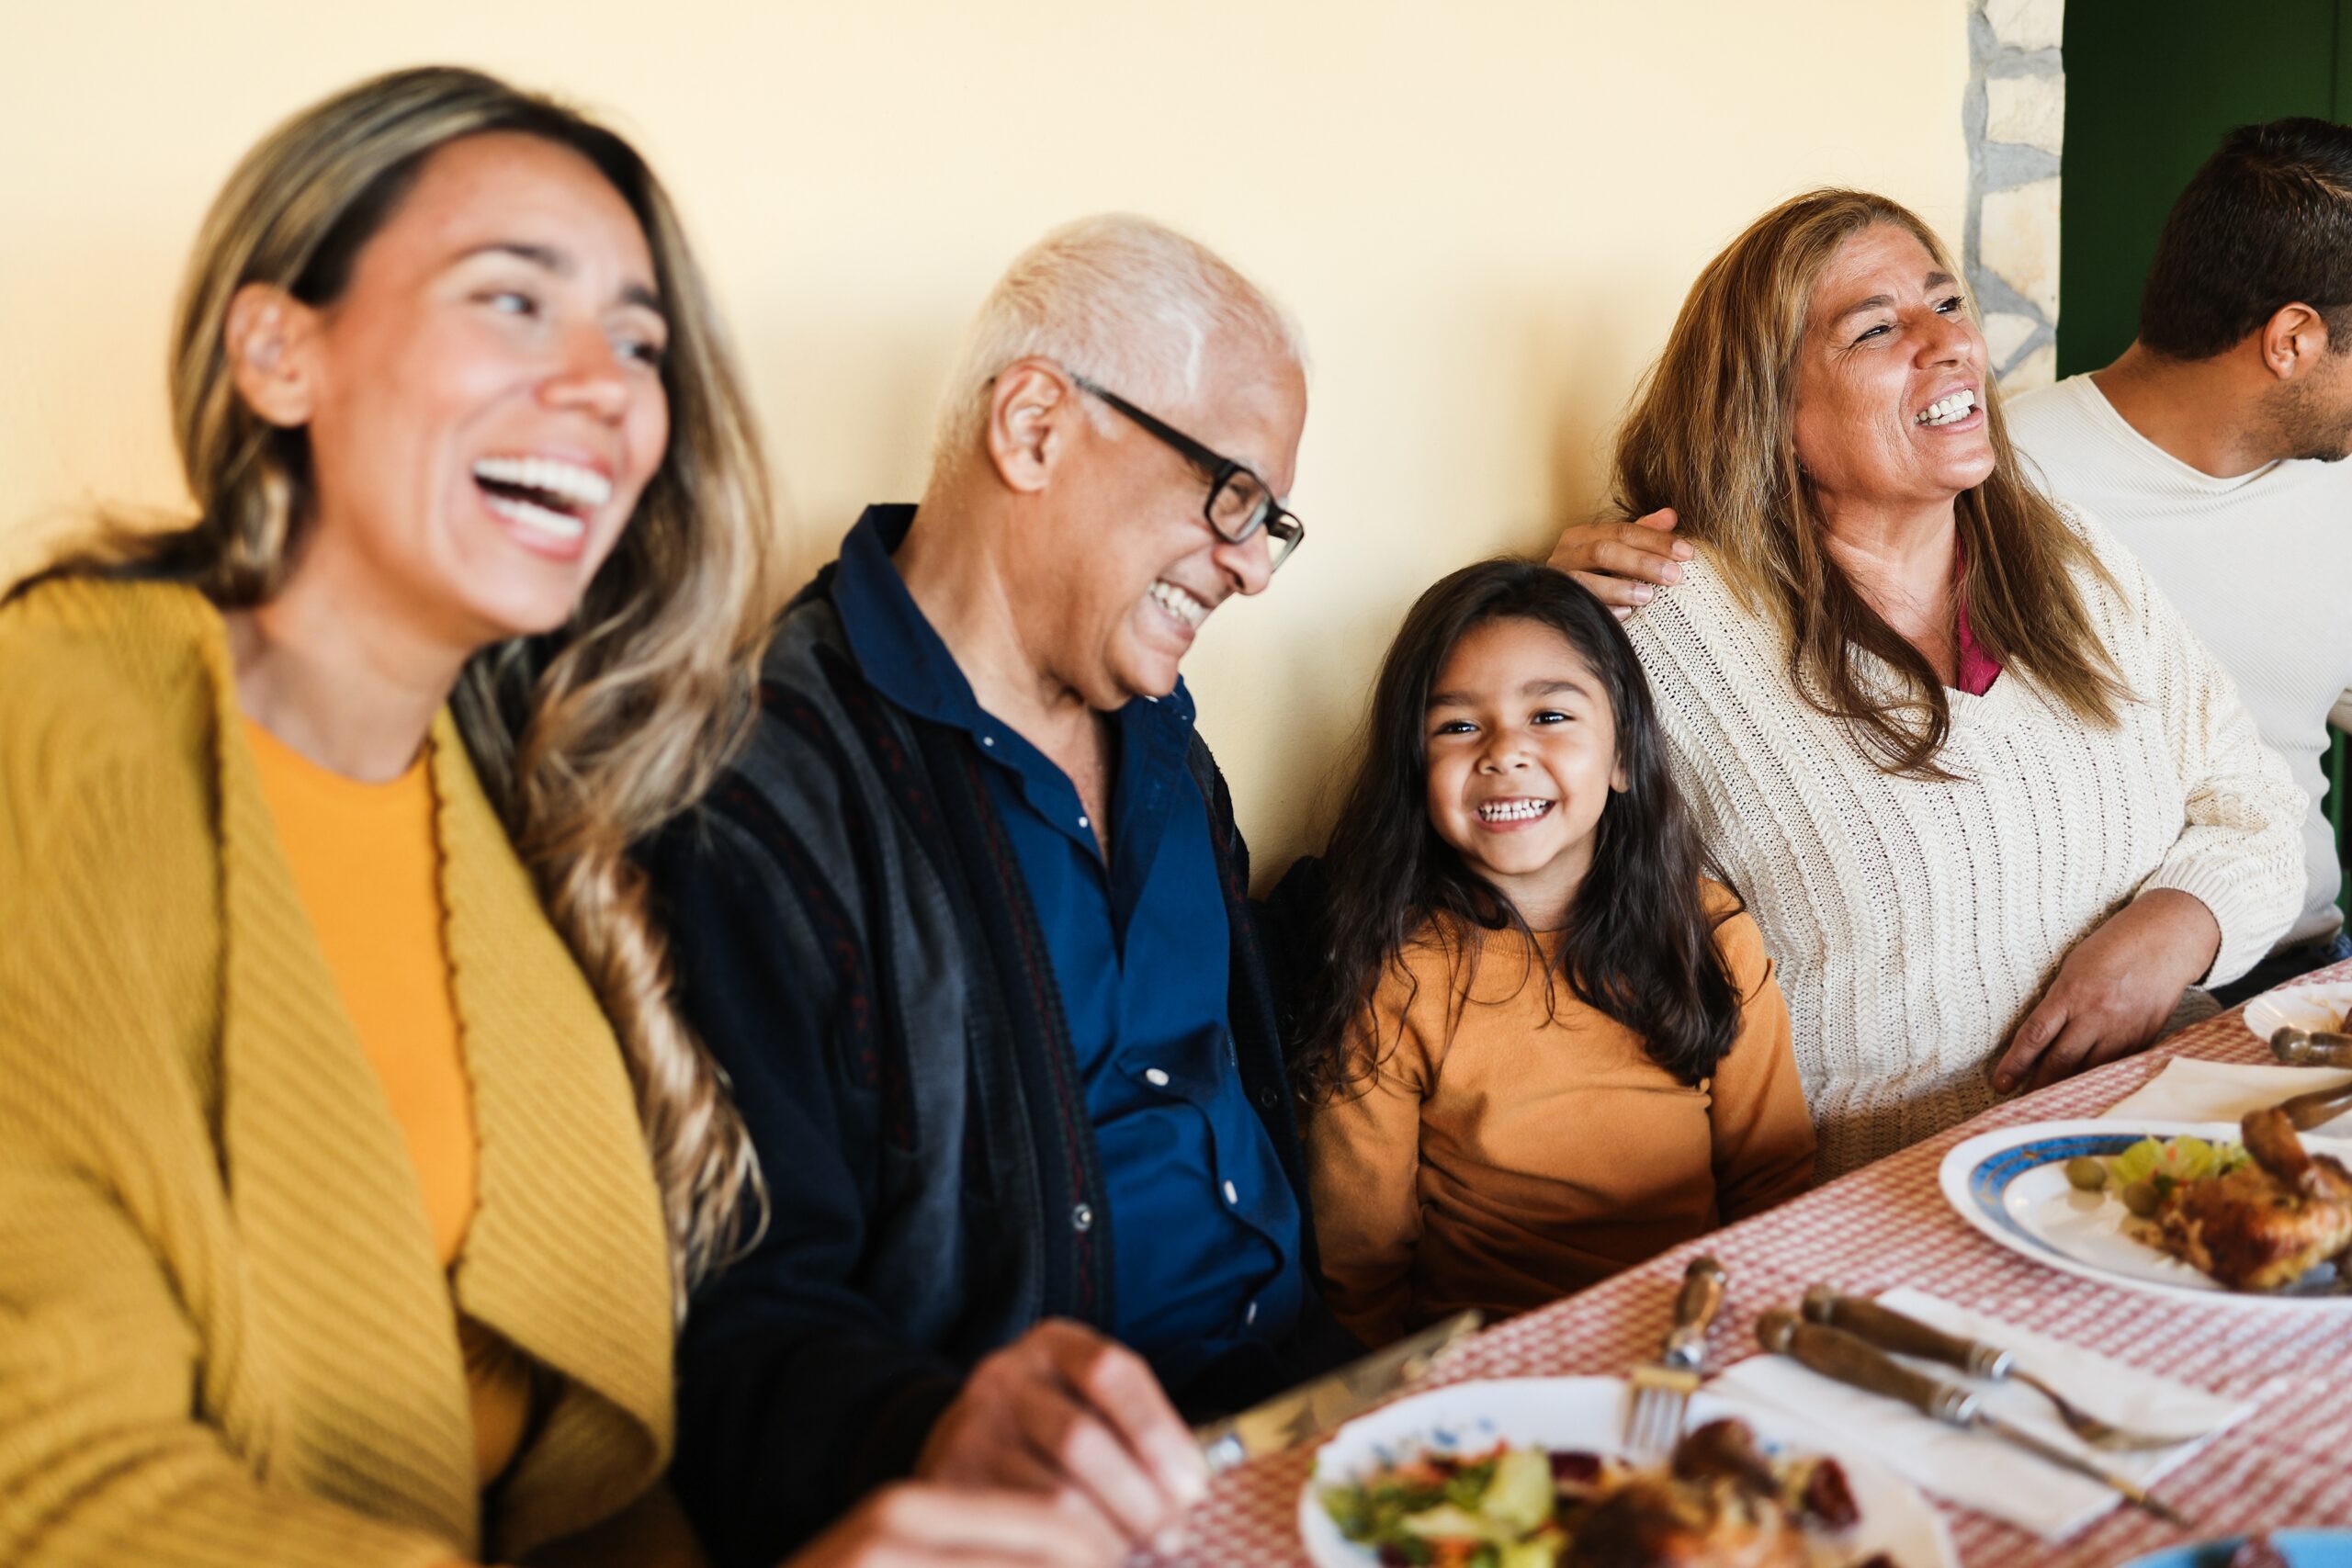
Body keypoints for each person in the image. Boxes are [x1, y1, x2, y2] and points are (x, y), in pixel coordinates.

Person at [0, 67, 1107, 1568]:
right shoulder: (50, 737)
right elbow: (59, 1492)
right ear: (278, 350)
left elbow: (576, 1481)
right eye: (513, 300)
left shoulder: (526, 808)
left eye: (639, 340)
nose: (606, 385)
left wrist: (921, 1435)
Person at [642, 214, 1360, 1568]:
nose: (1254, 568)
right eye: (1230, 499)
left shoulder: (1163, 745)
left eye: (1275, 524)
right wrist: (930, 1430)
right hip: (1056, 1514)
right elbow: (738, 1315)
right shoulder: (758, 794)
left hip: (1317, 1404)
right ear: (1032, 427)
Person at [1554, 188, 2305, 1177]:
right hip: (1888, 1191)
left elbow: (2255, 807)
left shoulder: (2071, 559)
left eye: (1946, 305)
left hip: (2173, 1122)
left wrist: (2175, 928)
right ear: (1771, 413)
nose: (1945, 343)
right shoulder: (1663, 628)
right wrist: (1538, 628)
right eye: (1875, 328)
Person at [1295, 560, 1814, 1348]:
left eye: (1548, 716)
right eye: (1458, 725)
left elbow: (1775, 1184)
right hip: (1494, 1363)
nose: (1503, 751)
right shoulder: (1395, 974)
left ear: (1624, 754)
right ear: (1415, 771)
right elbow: (1360, 1263)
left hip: (1692, 1338)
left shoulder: (1711, 936)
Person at [2004, 118, 2352, 1004]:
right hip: (2100, 1011)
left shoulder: (2338, 476)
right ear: (2293, 340)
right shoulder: (1996, 483)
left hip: (2308, 968)